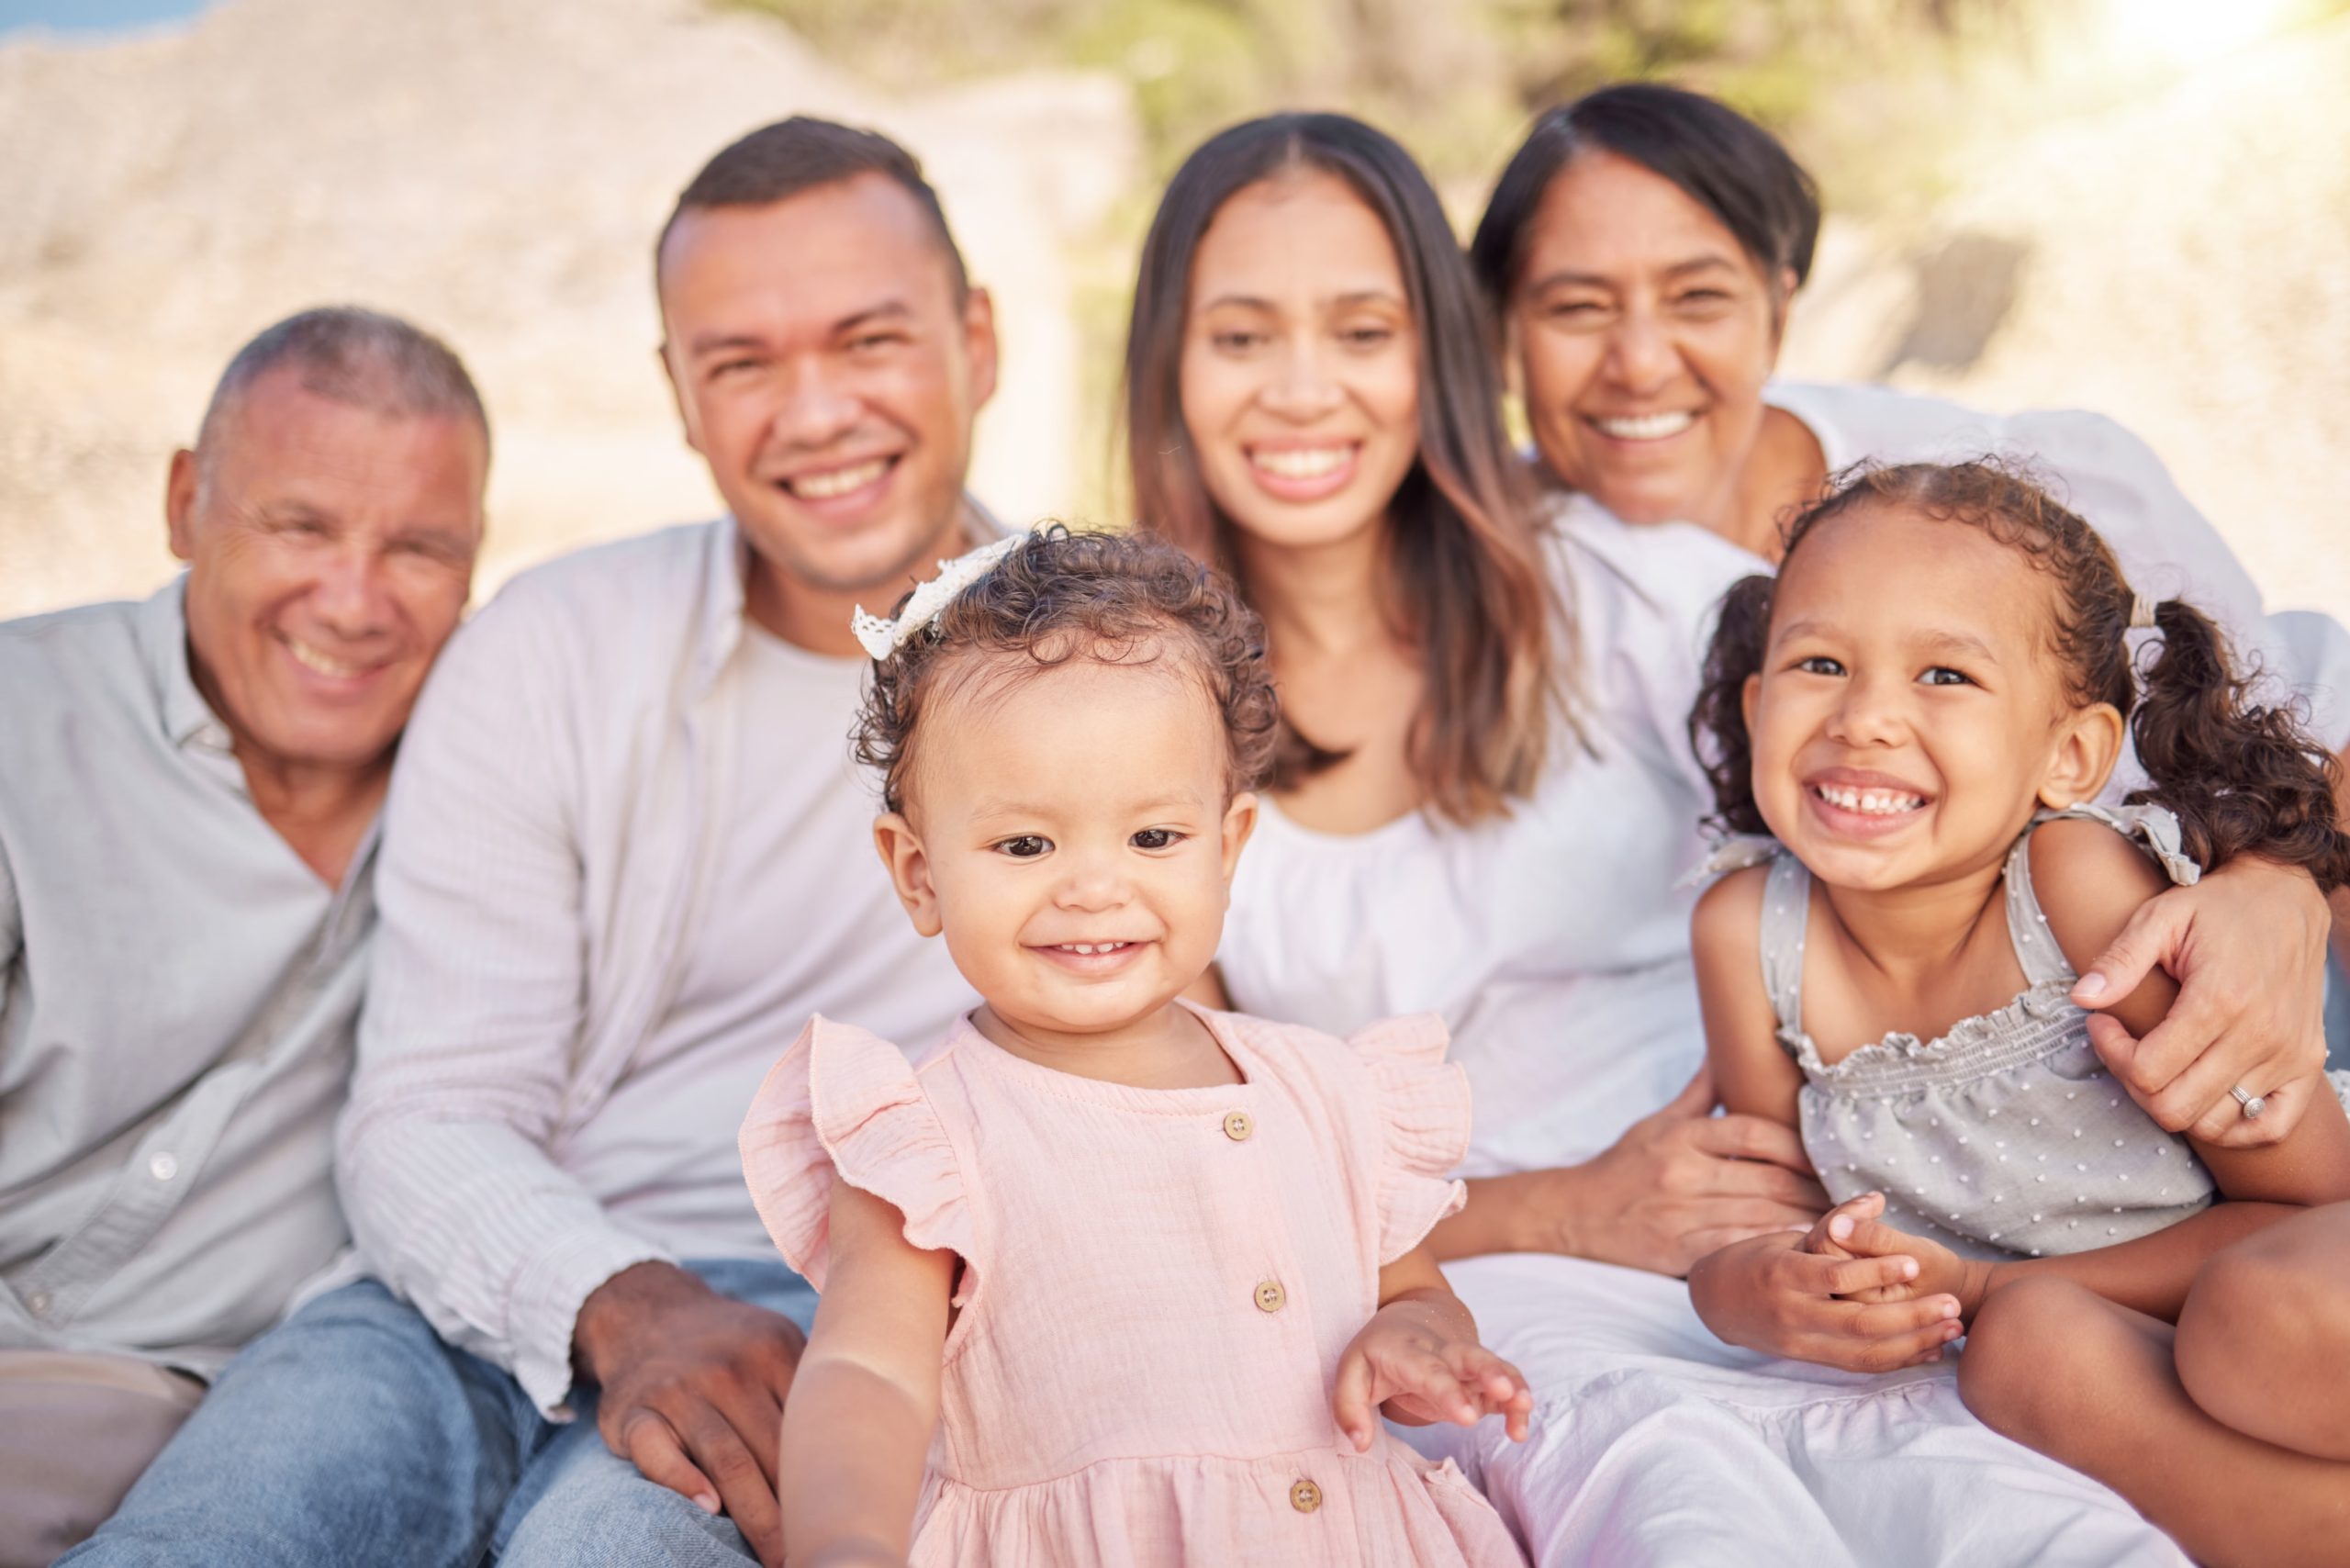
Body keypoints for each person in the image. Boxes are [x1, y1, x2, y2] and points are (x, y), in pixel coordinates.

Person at [1124, 108, 2330, 1563]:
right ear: (1167, 370)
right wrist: (1558, 1212)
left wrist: (2280, 883)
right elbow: (1171, 1138)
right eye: (1243, 337)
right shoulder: (1134, 714)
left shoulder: (1614, 587)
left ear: (1439, 358)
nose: (1305, 392)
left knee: (2045, 1419)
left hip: (1827, 1204)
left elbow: (2086, 724)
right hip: (1488, 1265)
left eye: (1362, 331)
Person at [70, 118, 993, 1568]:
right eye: (741, 363)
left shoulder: (1105, 662)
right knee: (214, 1535)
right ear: (680, 398)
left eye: (868, 340)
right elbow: (430, 1111)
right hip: (463, 1292)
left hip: (841, 1312)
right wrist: (626, 1303)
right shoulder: (549, 651)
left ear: (976, 342)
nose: (812, 413)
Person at [743, 526, 1530, 1567]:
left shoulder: (1326, 1089)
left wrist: (1417, 1336)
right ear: (919, 872)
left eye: (1153, 837)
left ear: (1228, 844)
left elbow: (1412, 1287)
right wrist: (846, 1540)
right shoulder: (924, 1136)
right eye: (1025, 844)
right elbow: (869, 1373)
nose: (1093, 885)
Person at [1685, 458, 2350, 1565]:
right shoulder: (1745, 932)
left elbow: (2311, 1205)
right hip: (2090, 1331)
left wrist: (1990, 1285)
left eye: (1943, 674)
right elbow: (1772, 1210)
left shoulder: (2071, 885)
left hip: (2285, 1275)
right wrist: (1743, 1294)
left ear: (2069, 754)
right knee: (2024, 1358)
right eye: (1819, 663)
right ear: (1759, 705)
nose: (1865, 719)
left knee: (2249, 1326)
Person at [0, 305, 487, 1564]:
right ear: (182, 505)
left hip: (263, 1433)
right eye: (301, 525)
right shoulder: (21, 731)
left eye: (420, 548)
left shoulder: (500, 782)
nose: (356, 600)